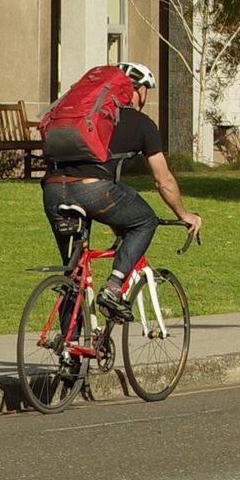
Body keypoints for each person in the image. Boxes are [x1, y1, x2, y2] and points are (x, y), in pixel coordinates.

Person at [38, 60, 200, 314]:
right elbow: (163, 180)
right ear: (137, 90)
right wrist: (183, 214)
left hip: (52, 191)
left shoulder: (85, 116)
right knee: (145, 221)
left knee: (73, 273)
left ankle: (70, 346)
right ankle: (114, 286)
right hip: (93, 191)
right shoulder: (141, 123)